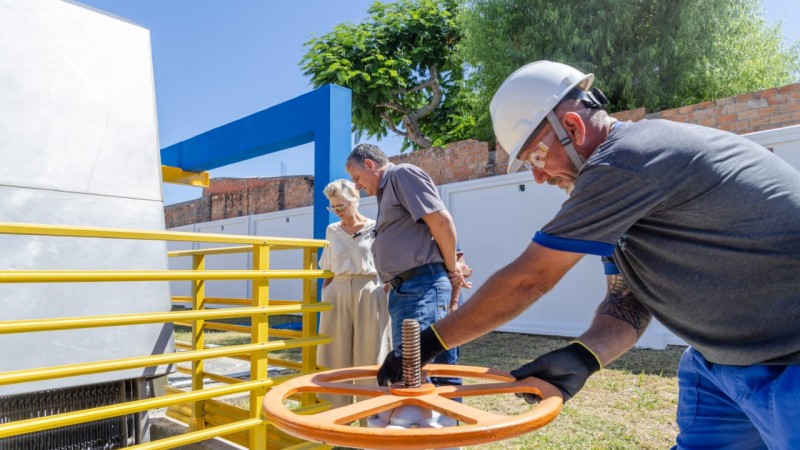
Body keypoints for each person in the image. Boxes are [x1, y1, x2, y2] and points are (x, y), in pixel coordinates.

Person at [377, 60, 800, 449]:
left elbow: (530, 279)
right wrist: (585, 355)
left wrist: (431, 342)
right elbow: (628, 300)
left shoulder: (629, 158)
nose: (539, 177)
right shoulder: (622, 190)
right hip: (719, 364)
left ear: (573, 128)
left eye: (536, 158)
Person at [345, 144, 471, 388]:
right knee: (417, 373)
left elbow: (442, 222)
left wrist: (452, 270)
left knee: (419, 373)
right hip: (410, 290)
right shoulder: (389, 189)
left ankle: (437, 425)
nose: (357, 185)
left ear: (370, 165)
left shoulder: (401, 174)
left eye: (357, 177)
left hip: (421, 288)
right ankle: (426, 424)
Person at [316, 179, 392, 408]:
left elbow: (387, 263)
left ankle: (372, 415)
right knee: (334, 355)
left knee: (371, 355)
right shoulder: (332, 230)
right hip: (336, 292)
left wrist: (381, 289)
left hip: (369, 291)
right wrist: (326, 295)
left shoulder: (375, 227)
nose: (337, 211)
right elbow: (327, 268)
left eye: (341, 205)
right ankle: (335, 416)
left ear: (355, 200)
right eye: (333, 207)